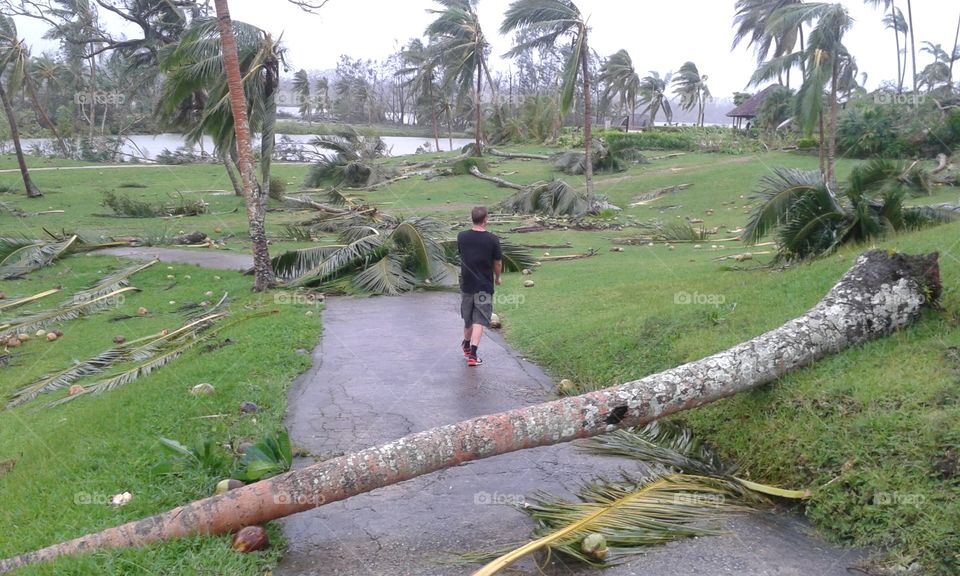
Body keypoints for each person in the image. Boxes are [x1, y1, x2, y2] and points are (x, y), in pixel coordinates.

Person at [457, 206, 502, 367]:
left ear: (472, 218)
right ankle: (473, 355)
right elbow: (497, 262)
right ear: (485, 220)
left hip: (466, 283)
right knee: (479, 319)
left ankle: (466, 345)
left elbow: (463, 255)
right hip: (484, 284)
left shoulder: (461, 236)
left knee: (468, 318)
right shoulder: (492, 239)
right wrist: (498, 278)